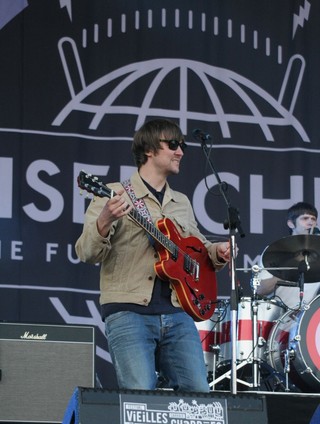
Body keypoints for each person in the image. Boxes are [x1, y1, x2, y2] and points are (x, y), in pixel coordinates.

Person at [75, 118, 231, 392]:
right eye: (173, 144)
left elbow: (196, 246)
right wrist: (104, 220)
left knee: (199, 395)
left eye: (181, 145)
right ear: (149, 149)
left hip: (177, 310)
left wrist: (216, 252)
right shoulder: (114, 194)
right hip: (129, 310)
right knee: (139, 397)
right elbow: (86, 253)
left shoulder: (180, 201)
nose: (180, 151)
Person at [256, 202, 320, 310]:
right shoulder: (275, 251)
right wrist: (286, 271)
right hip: (278, 318)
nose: (310, 223)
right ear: (291, 224)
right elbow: (260, 290)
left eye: (313, 219)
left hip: (309, 321)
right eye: (305, 218)